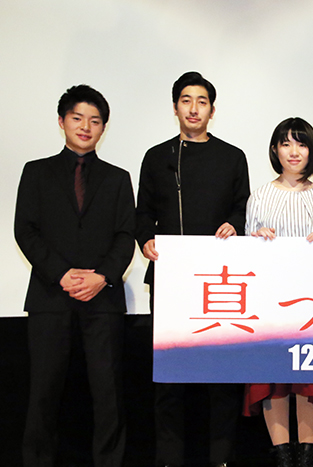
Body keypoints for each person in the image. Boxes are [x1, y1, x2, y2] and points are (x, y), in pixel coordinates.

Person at [15, 85, 135, 467]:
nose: (85, 126)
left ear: (104, 128)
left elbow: (125, 236)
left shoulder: (118, 178)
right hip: (50, 297)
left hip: (103, 300)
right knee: (43, 393)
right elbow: (25, 230)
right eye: (77, 118)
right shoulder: (36, 172)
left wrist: (103, 276)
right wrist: (61, 274)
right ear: (62, 121)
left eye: (95, 121)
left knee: (109, 394)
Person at [135, 71, 250, 467]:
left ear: (212, 110)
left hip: (220, 282)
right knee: (170, 380)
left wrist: (235, 224)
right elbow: (143, 213)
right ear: (175, 108)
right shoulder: (157, 157)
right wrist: (145, 240)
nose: (194, 108)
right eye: (186, 100)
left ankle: (221, 458)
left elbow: (242, 207)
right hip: (171, 280)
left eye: (202, 101)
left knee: (222, 378)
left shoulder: (232, 157)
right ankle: (169, 459)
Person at [242, 117, 313, 467]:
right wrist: (256, 240)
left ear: (311, 151)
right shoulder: (261, 195)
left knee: (309, 379)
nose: (294, 151)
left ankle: (307, 455)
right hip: (270, 304)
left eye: (301, 144)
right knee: (276, 379)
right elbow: (246, 254)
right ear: (275, 150)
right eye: (286, 144)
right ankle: (283, 456)